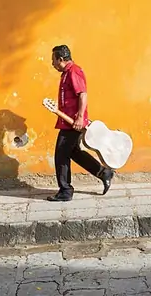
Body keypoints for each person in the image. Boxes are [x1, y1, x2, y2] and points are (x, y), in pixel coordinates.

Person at [47, 45, 114, 201]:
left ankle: (65, 191)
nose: (53, 64)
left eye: (54, 60)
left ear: (61, 59)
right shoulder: (66, 73)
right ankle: (104, 173)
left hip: (72, 123)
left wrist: (79, 117)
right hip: (67, 121)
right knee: (73, 152)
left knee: (61, 155)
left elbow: (83, 94)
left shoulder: (73, 71)